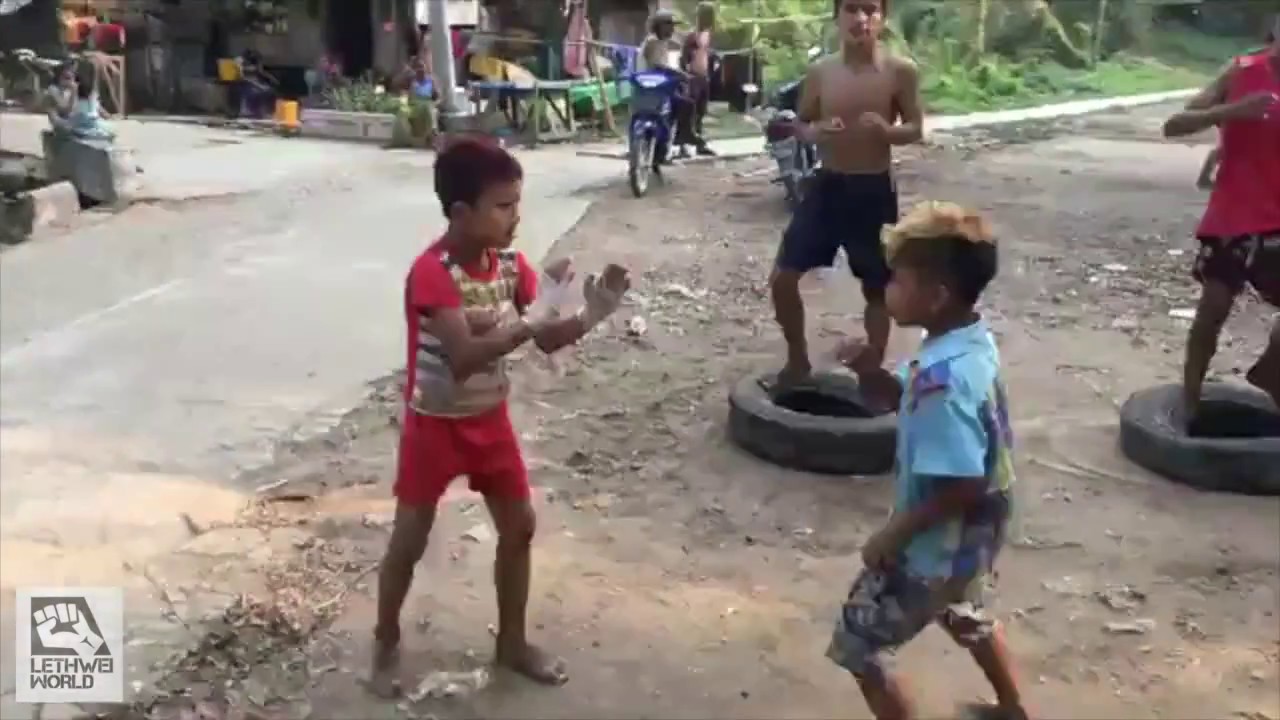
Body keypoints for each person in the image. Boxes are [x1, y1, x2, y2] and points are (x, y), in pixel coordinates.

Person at [370, 136, 631, 698]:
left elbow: (547, 336)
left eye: (517, 202)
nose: (516, 216)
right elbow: (463, 358)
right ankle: (385, 635)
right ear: (461, 212)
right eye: (504, 205)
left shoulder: (510, 266)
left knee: (520, 527)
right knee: (409, 540)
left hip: (489, 421)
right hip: (434, 425)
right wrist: (528, 323)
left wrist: (590, 314)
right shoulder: (431, 273)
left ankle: (511, 642)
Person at [830, 201, 1027, 720]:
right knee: (963, 608)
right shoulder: (964, 343)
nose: (887, 287)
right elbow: (901, 398)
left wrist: (892, 536)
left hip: (939, 536)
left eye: (898, 278)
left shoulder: (945, 380)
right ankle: (1012, 707)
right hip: (977, 531)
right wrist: (871, 371)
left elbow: (961, 481)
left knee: (861, 644)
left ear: (936, 296)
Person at [770, 0, 923, 388]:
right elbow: (800, 124)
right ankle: (797, 362)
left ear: (883, 18)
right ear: (836, 17)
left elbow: (917, 128)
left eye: (870, 9)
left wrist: (889, 133)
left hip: (873, 188)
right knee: (783, 278)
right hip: (828, 185)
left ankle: (872, 372)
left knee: (877, 288)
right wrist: (814, 132)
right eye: (851, 9)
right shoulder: (821, 72)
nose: (861, 18)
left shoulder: (899, 71)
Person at [1161, 14, 1280, 419]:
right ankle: (1189, 404)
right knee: (1212, 313)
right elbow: (1174, 125)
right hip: (1233, 215)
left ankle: (1270, 372)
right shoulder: (1241, 72)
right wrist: (1233, 110)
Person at [676, 2, 717, 158]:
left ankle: (698, 145)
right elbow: (683, 57)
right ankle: (682, 147)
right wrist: (686, 74)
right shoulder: (692, 36)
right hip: (692, 77)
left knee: (700, 112)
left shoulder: (709, 35)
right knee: (688, 112)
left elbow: (709, 57)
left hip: (703, 77)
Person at [44, 63, 77, 133]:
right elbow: (65, 111)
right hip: (60, 122)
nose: (70, 81)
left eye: (72, 78)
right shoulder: (53, 90)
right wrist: (74, 94)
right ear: (59, 77)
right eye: (67, 78)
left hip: (72, 121)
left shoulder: (70, 90)